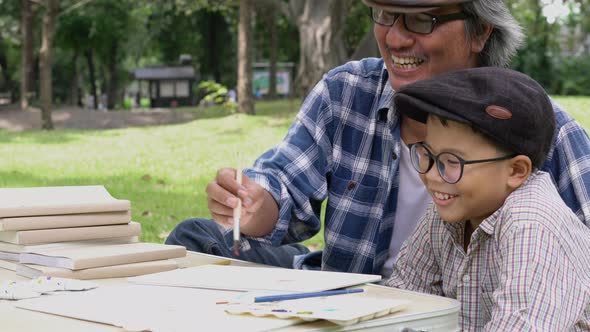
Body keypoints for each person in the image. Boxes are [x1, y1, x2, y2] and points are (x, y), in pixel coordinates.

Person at [166, 0, 590, 275]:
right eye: (385, 15)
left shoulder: (542, 131)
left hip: (458, 314)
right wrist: (258, 203)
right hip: (344, 299)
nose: (395, 37)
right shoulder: (346, 92)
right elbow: (284, 183)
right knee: (194, 239)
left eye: (423, 19)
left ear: (481, 31)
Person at [385, 66, 590, 330]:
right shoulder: (448, 209)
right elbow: (405, 300)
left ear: (516, 171)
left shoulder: (532, 225)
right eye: (428, 154)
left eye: (451, 161)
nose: (433, 175)